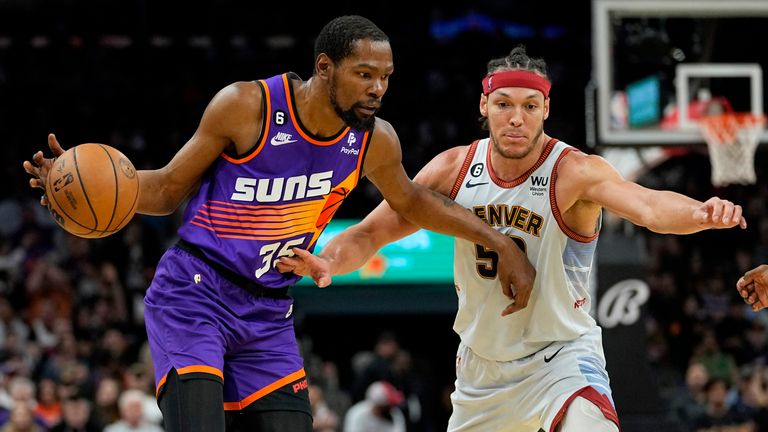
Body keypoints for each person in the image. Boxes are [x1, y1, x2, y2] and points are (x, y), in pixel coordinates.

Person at [22, 15, 533, 432]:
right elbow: (165, 190)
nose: (378, 88)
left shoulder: (375, 140)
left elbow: (412, 202)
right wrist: (80, 186)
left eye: (385, 77)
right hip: (194, 293)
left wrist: (499, 242)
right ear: (325, 67)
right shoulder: (247, 107)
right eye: (364, 74)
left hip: (268, 310)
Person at [277, 45, 748, 431]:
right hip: (482, 370)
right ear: (485, 106)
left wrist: (700, 212)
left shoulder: (574, 171)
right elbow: (369, 233)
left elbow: (648, 206)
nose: (516, 118)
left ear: (545, 108)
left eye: (528, 106)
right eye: (504, 105)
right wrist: (327, 262)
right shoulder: (452, 168)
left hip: (561, 359)